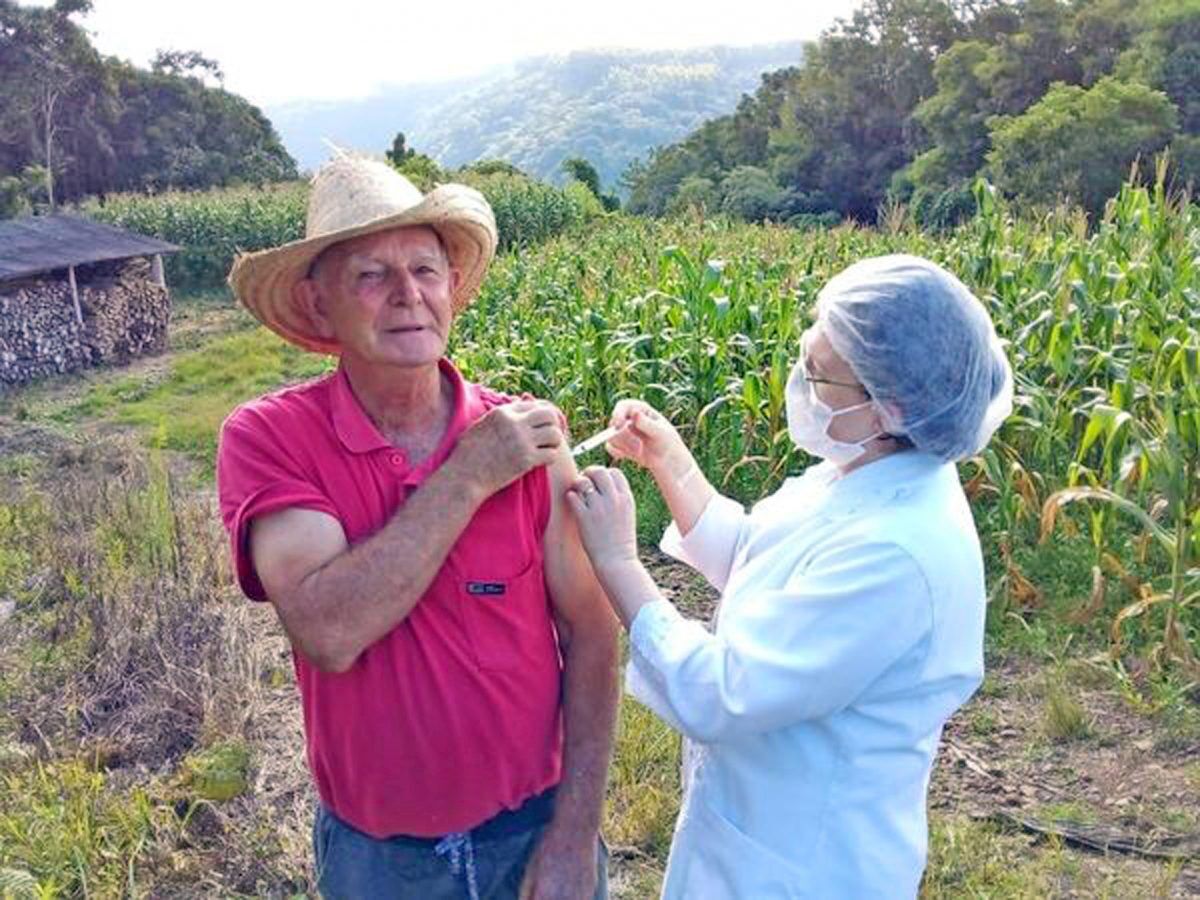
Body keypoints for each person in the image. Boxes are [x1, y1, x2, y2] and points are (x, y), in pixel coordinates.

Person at [215, 154, 619, 900]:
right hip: (382, 864)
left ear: (451, 290)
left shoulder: (530, 441)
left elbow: (593, 637)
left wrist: (573, 836)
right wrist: (466, 476)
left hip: (533, 834)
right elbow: (329, 631)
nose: (408, 296)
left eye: (426, 271)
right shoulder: (271, 439)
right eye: (372, 275)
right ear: (318, 303)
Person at [566, 254, 1014, 898]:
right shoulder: (860, 471)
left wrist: (618, 563)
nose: (801, 385)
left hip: (811, 868)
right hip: (756, 836)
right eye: (807, 357)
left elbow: (723, 692)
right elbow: (760, 559)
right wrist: (673, 465)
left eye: (821, 378)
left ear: (889, 408)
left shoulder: (899, 552)